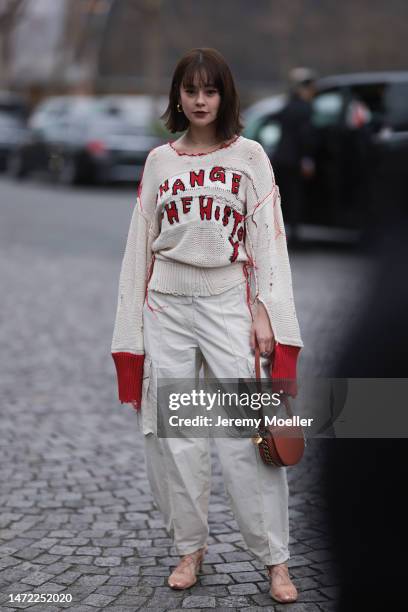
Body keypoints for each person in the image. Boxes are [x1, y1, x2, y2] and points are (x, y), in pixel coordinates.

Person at [111, 48, 304, 603]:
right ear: (177, 96)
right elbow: (137, 249)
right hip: (165, 304)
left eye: (210, 90)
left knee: (249, 436)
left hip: (227, 299)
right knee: (177, 438)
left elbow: (268, 237)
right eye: (190, 90)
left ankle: (275, 561)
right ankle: (189, 549)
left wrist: (267, 307)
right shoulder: (158, 162)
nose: (199, 99)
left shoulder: (250, 157)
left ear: (225, 96)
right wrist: (130, 331)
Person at [272, 67, 318, 246]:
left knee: (282, 198)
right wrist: (307, 159)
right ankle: (294, 235)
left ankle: (279, 232)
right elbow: (306, 136)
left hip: (281, 157)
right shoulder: (306, 109)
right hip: (296, 159)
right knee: (295, 197)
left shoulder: (287, 105)